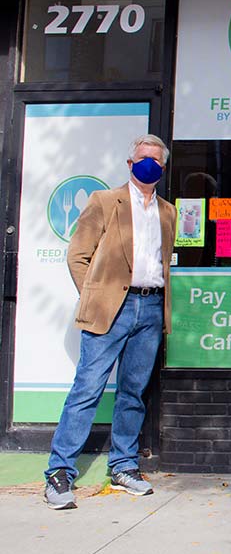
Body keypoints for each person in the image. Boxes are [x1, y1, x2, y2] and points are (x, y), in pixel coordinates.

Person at [44, 134, 176, 510]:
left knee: (133, 393)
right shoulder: (104, 201)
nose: (148, 163)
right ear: (130, 162)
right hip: (111, 309)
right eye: (141, 157)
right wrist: (95, 296)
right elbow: (77, 255)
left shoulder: (167, 211)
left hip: (150, 308)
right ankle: (59, 473)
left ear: (162, 169)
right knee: (87, 389)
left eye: (155, 159)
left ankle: (122, 466)